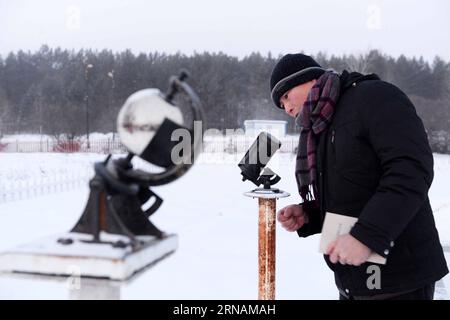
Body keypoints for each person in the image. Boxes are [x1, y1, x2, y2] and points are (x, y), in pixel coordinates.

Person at [270, 53, 448, 300]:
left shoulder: (373, 97)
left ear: (308, 78)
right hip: (354, 282)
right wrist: (310, 214)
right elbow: (350, 191)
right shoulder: (321, 128)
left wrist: (366, 236)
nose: (287, 108)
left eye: (287, 96)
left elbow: (410, 170)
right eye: (281, 105)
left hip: (399, 279)